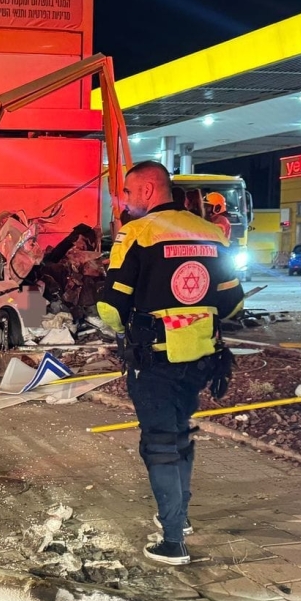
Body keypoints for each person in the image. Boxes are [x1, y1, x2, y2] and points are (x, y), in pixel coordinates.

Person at [96, 161, 243, 567]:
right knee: (180, 435)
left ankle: (173, 540)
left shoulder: (137, 234)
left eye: (128, 192)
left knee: (160, 443)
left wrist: (124, 329)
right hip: (200, 358)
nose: (125, 201)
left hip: (155, 358)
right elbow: (233, 303)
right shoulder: (211, 233)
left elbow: (111, 307)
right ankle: (180, 515)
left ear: (147, 190)